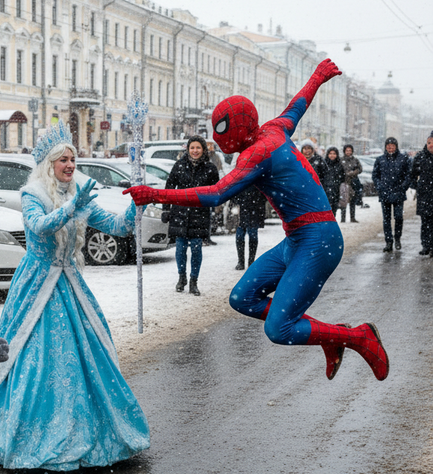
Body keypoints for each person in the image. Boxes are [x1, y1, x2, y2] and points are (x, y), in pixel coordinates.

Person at [124, 59, 389, 383]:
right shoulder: (273, 129)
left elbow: (216, 194)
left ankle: (357, 337)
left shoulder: (256, 153)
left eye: (221, 131)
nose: (217, 141)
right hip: (299, 239)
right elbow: (297, 106)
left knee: (279, 328)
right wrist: (317, 77)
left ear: (234, 130)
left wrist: (156, 195)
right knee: (242, 298)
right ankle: (331, 337)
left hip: (319, 240)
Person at [0, 121, 150, 471]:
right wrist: (72, 208)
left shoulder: (78, 193)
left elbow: (118, 227)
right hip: (37, 283)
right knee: (37, 357)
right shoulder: (32, 194)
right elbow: (39, 226)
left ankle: (89, 429)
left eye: (73, 159)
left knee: (85, 354)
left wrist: (138, 202)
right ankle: (30, 433)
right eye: (63, 160)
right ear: (48, 164)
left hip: (69, 283)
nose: (70, 165)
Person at [162, 135, 219, 295]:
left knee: (196, 250)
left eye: (198, 148)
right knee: (180, 249)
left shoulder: (210, 168)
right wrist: (166, 209)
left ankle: (194, 281)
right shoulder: (179, 166)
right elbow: (169, 188)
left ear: (203, 150)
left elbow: (216, 192)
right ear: (188, 149)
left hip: (199, 214)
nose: (195, 151)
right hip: (180, 212)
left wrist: (212, 209)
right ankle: (182, 277)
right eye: (192, 148)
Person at [373, 137, 412, 252]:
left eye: (392, 145)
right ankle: (388, 242)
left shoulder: (403, 158)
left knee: (398, 217)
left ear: (396, 146)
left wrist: (403, 187)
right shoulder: (380, 159)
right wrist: (380, 187)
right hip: (385, 193)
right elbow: (375, 175)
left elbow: (408, 175)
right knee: (386, 219)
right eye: (388, 145)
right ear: (385, 147)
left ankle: (397, 238)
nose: (390, 147)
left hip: (398, 192)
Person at [231, 185, 267, 270]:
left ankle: (250, 261)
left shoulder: (257, 178)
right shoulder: (242, 179)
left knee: (252, 236)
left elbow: (264, 195)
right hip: (244, 208)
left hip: (254, 208)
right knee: (240, 236)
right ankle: (241, 261)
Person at [411, 131, 433, 256]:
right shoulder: (420, 156)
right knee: (425, 221)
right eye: (429, 142)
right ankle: (426, 245)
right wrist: (417, 186)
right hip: (424, 194)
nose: (431, 145)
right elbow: (413, 173)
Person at [322, 147, 346, 216]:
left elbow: (342, 177)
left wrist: (336, 183)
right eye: (330, 153)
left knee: (333, 209)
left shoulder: (339, 165)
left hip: (336, 190)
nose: (332, 155)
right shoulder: (323, 164)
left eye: (334, 154)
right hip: (325, 190)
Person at [341, 144, 363, 219]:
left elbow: (360, 169)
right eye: (347, 150)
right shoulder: (341, 160)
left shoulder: (355, 160)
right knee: (343, 200)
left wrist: (354, 172)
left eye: (350, 150)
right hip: (344, 182)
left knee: (353, 200)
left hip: (353, 182)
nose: (348, 152)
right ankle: (343, 218)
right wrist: (345, 174)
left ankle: (352, 217)